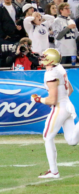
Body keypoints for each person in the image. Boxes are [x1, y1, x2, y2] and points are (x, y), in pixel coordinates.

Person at [32, 48, 79, 179]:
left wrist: (38, 99)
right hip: (67, 105)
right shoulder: (59, 68)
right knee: (72, 141)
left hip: (59, 107)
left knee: (47, 137)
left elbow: (52, 99)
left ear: (50, 59)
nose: (41, 58)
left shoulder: (51, 73)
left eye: (44, 56)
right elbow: (70, 90)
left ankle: (54, 172)